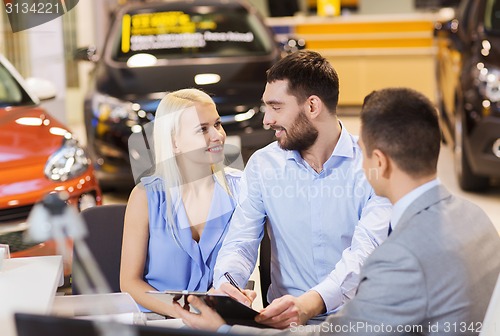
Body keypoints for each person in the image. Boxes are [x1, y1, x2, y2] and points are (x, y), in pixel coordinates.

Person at [174, 87, 500, 335]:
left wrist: (222, 329)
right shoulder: (475, 217)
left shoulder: (399, 257)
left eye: (363, 152)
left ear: (380, 162)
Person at [211, 50, 392, 328]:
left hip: (359, 322)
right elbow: (240, 242)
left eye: (276, 107)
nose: (266, 120)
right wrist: (227, 283)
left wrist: (310, 303)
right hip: (286, 323)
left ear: (312, 106)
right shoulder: (263, 164)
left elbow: (365, 253)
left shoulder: (371, 164)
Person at [120, 88, 243, 317]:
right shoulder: (145, 197)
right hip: (157, 323)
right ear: (174, 142)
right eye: (203, 129)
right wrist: (186, 314)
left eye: (217, 124)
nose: (218, 136)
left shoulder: (241, 190)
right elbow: (129, 282)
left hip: (220, 323)